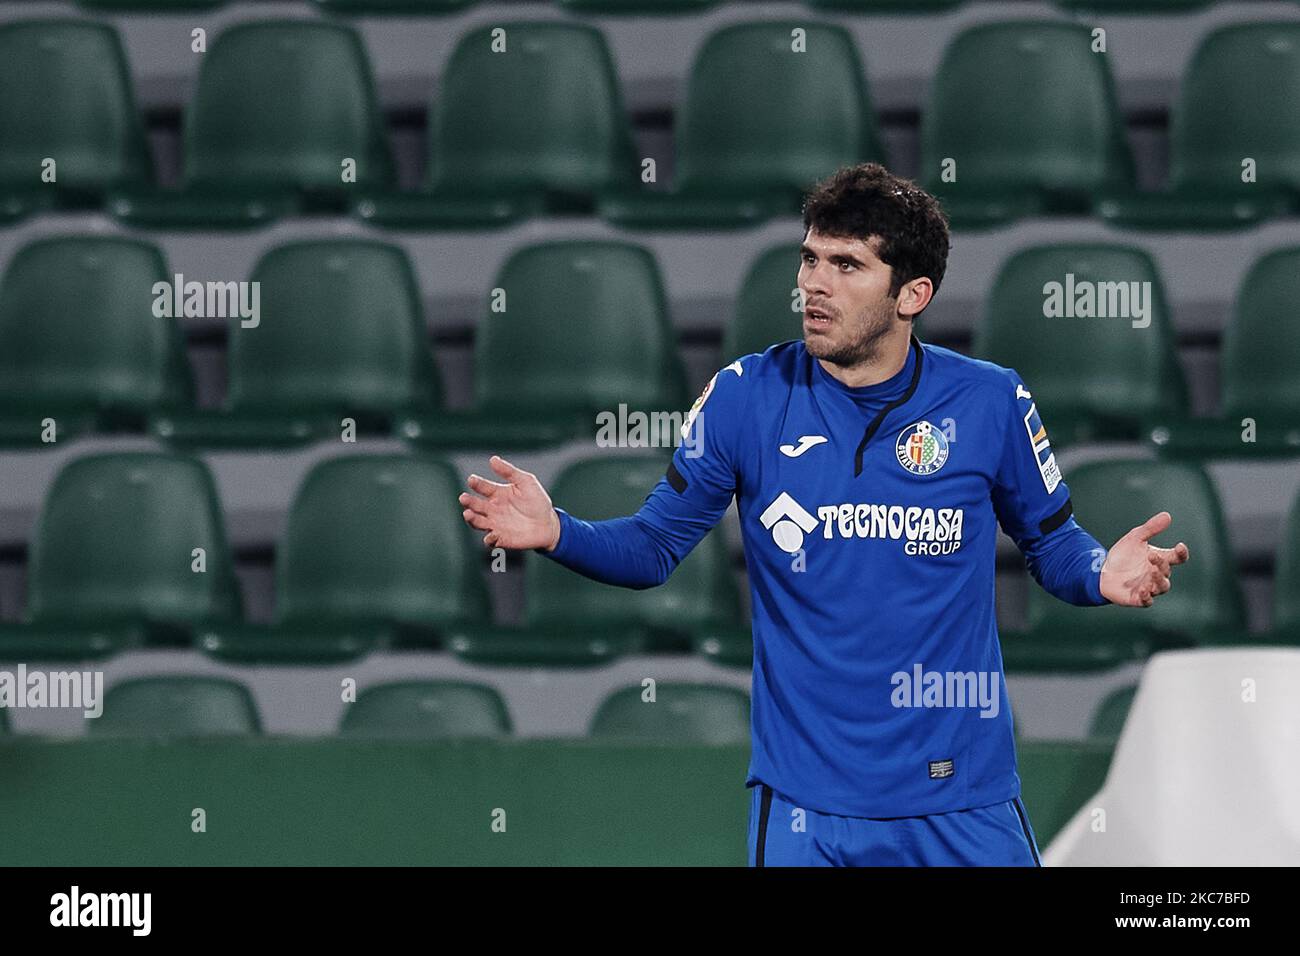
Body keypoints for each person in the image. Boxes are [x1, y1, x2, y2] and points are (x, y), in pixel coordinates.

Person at [458, 162, 1189, 866]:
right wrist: (559, 531)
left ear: (912, 294)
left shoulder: (991, 402)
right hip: (809, 811)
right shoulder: (747, 396)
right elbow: (653, 548)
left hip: (961, 799)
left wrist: (1100, 572)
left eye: (846, 266)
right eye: (809, 259)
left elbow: (1052, 543)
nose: (813, 284)